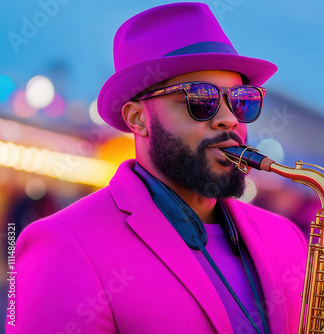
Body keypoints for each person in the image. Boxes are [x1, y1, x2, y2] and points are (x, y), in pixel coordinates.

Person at [6, 3, 307, 334]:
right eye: (202, 99)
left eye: (241, 100)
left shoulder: (288, 237)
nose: (230, 118)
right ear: (138, 119)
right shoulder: (60, 246)